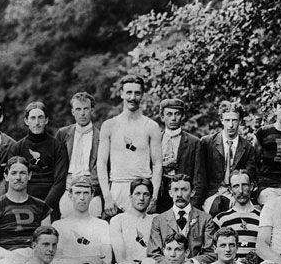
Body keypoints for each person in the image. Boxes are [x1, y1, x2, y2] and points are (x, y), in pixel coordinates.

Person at [141, 174, 217, 264]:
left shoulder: (205, 219)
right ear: (170, 193)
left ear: (192, 192)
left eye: (184, 189)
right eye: (176, 190)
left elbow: (211, 253)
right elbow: (153, 253)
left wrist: (191, 262)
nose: (179, 194)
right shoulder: (159, 220)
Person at [97, 74, 162, 217]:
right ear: (121, 94)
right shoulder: (109, 125)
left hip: (143, 190)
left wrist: (154, 195)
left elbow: (157, 164)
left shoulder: (151, 126)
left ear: (142, 95)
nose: (132, 97)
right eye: (129, 92)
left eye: (137, 93)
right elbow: (101, 163)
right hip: (117, 189)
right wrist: (107, 196)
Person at [8, 101, 68, 219]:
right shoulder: (17, 148)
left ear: (46, 120)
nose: (37, 122)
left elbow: (60, 181)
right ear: (26, 121)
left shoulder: (57, 146)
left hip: (51, 201)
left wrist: (44, 208)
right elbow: (13, 179)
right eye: (33, 118)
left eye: (40, 118)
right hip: (23, 199)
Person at [200, 101, 256, 217]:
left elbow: (250, 175)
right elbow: (200, 174)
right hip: (211, 193)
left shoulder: (248, 148)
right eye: (227, 120)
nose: (230, 125)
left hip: (236, 193)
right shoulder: (207, 143)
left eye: (234, 120)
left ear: (240, 121)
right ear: (221, 120)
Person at [56, 92, 103, 218]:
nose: (82, 113)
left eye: (86, 109)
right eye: (78, 109)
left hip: (91, 188)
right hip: (67, 187)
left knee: (94, 219)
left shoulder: (101, 137)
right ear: (72, 112)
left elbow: (103, 167)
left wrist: (89, 186)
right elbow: (57, 164)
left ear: (91, 110)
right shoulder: (63, 134)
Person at [157, 98, 204, 212]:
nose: (173, 118)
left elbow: (199, 178)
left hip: (184, 196)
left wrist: (193, 206)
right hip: (160, 196)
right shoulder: (155, 140)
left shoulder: (194, 142)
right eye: (169, 114)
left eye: (177, 114)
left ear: (182, 116)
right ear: (162, 116)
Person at [213, 170, 261, 264]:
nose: (240, 191)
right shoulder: (221, 219)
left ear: (251, 187)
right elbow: (214, 251)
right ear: (230, 190)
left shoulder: (262, 217)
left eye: (244, 185)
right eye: (236, 186)